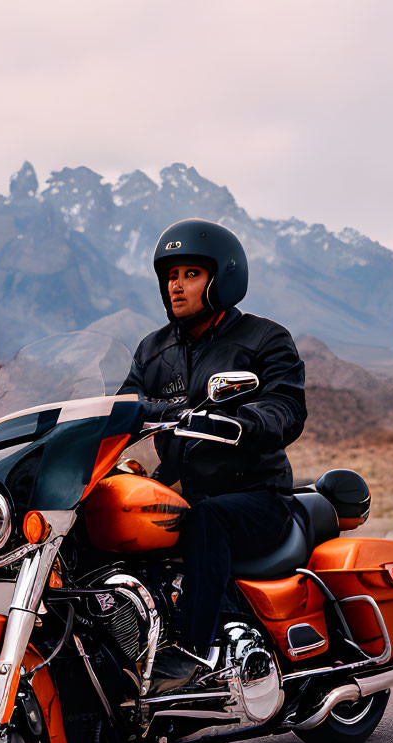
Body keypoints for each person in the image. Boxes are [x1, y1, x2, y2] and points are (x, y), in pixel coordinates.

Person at [118, 218, 306, 693]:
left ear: (222, 278)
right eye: (171, 275)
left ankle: (190, 654)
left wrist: (248, 420)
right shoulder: (153, 349)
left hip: (255, 496)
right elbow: (122, 407)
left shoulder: (264, 339)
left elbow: (287, 405)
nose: (176, 285)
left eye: (190, 274)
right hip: (181, 489)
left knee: (208, 518)